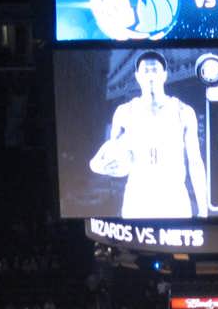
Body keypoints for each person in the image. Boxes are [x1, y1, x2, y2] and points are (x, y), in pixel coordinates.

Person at [89, 50, 208, 220]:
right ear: (137, 75)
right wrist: (97, 166)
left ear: (164, 74)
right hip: (138, 198)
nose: (151, 74)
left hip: (173, 198)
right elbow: (110, 154)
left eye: (155, 70)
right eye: (146, 70)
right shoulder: (124, 112)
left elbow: (195, 162)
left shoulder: (184, 111)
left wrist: (203, 210)